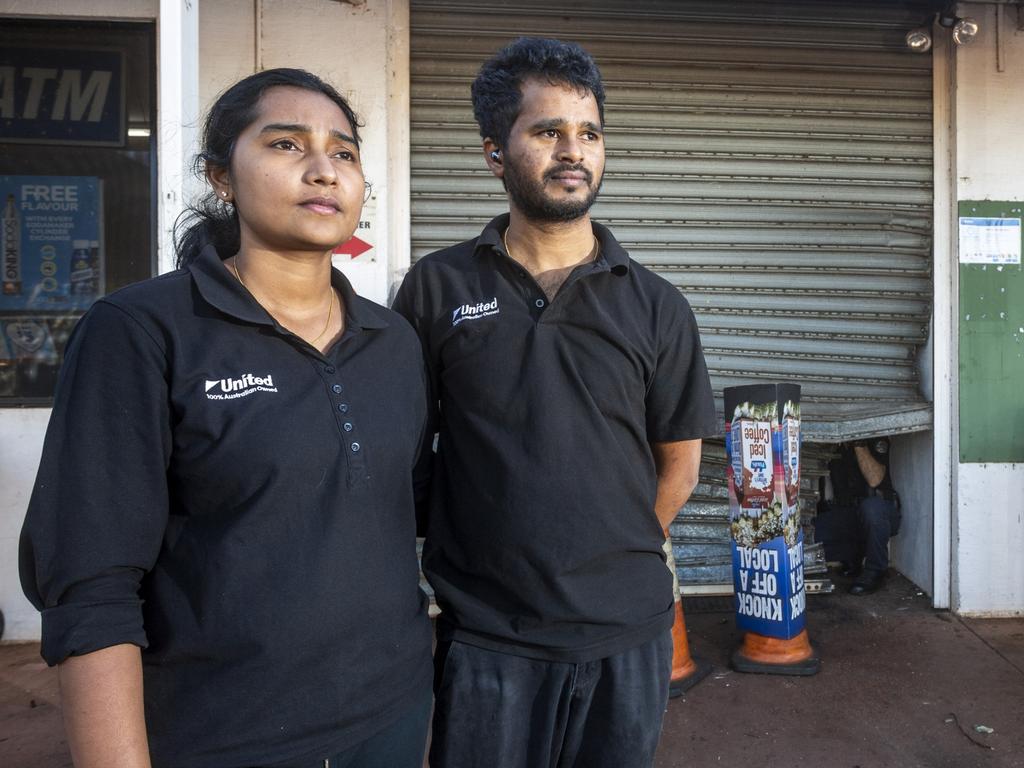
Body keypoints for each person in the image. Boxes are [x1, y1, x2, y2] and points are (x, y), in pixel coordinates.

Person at [19, 69, 433, 768]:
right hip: (223, 736)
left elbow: (403, 514)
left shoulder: (393, 342)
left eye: (344, 152)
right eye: (285, 145)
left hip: (390, 716)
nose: (323, 171)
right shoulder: (142, 331)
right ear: (221, 177)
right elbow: (91, 584)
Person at [393, 37, 717, 768]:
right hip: (487, 636)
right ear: (494, 152)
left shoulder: (658, 305)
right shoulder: (437, 288)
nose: (574, 151)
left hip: (626, 632)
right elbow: (408, 453)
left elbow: (681, 466)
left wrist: (599, 552)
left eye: (589, 133)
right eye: (548, 131)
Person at [827, 438, 901, 595]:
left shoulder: (875, 441)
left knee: (871, 508)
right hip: (854, 515)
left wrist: (858, 445)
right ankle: (853, 557)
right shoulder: (837, 447)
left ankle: (876, 570)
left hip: (882, 514)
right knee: (816, 528)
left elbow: (874, 480)